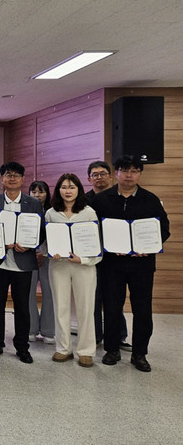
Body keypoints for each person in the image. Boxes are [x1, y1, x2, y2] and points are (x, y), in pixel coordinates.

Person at [91, 155, 170, 372]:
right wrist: (106, 245)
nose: (129, 175)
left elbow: (163, 229)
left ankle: (139, 354)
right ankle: (112, 350)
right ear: (116, 173)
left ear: (140, 174)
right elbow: (92, 230)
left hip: (142, 265)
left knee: (142, 310)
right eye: (125, 170)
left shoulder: (151, 199)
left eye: (134, 171)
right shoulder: (101, 200)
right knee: (112, 308)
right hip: (111, 264)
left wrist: (149, 247)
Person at [0, 161, 44, 364]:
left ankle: (22, 347)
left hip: (23, 262)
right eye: (8, 175)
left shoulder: (33, 203)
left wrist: (30, 245)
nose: (12, 178)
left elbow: (41, 231)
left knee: (23, 307)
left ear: (23, 179)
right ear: (1, 179)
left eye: (16, 175)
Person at [45, 173, 101, 367]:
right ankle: (63, 349)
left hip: (83, 266)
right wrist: (50, 252)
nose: (67, 191)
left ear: (79, 190)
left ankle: (86, 351)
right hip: (58, 265)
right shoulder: (51, 213)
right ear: (58, 190)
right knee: (60, 307)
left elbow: (96, 244)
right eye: (64, 187)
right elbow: (45, 241)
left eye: (72, 187)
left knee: (85, 308)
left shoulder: (89, 212)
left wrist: (83, 259)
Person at [85, 160, 130, 349]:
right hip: (91, 255)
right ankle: (95, 335)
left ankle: (119, 336)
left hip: (114, 256)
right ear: (89, 179)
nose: (99, 177)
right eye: (95, 174)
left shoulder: (119, 197)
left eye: (103, 173)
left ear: (110, 176)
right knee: (93, 297)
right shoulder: (83, 200)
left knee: (114, 297)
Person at [28, 180, 54, 344]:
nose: (37, 195)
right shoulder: (26, 211)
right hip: (28, 257)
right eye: (34, 192)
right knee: (28, 294)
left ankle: (48, 331)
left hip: (49, 258)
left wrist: (43, 253)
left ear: (47, 194)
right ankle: (31, 329)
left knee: (49, 294)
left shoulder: (52, 212)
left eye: (41, 192)